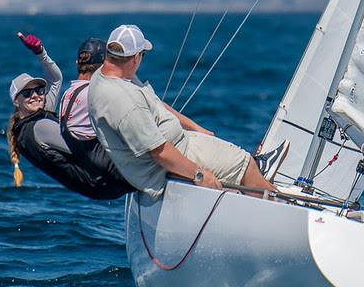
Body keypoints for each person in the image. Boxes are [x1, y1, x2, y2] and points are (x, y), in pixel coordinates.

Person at [87, 24, 286, 199]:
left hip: (181, 142)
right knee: (245, 163)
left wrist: (196, 128)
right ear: (135, 58)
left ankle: (259, 182)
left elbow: (155, 104)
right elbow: (159, 152)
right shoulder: (124, 101)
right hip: (164, 164)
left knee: (238, 160)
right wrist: (199, 175)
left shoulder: (109, 74)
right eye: (142, 55)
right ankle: (278, 207)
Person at [5, 32, 135, 199]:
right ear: (16, 102)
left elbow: (56, 79)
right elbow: (80, 146)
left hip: (99, 185)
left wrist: (40, 52)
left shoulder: (33, 120)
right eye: (27, 93)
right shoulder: (38, 127)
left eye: (39, 90)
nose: (35, 95)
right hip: (104, 181)